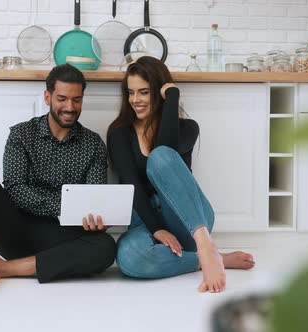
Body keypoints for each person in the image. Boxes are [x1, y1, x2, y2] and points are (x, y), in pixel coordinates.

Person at [0, 64, 116, 296]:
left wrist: (95, 217)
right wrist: (64, 206)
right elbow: (15, 189)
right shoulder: (21, 134)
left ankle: (1, 268)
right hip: (15, 228)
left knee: (106, 248)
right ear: (47, 96)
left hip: (61, 238)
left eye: (76, 100)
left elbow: (92, 197)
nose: (70, 107)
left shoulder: (94, 144)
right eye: (62, 98)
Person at [107, 56, 255, 293]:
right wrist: (157, 229)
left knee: (160, 156)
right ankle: (209, 259)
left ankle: (205, 245)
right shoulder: (119, 133)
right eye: (130, 92)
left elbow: (166, 150)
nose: (135, 100)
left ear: (160, 92)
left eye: (144, 92)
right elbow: (131, 184)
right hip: (144, 219)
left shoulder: (188, 129)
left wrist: (172, 97)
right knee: (129, 258)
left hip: (190, 218)